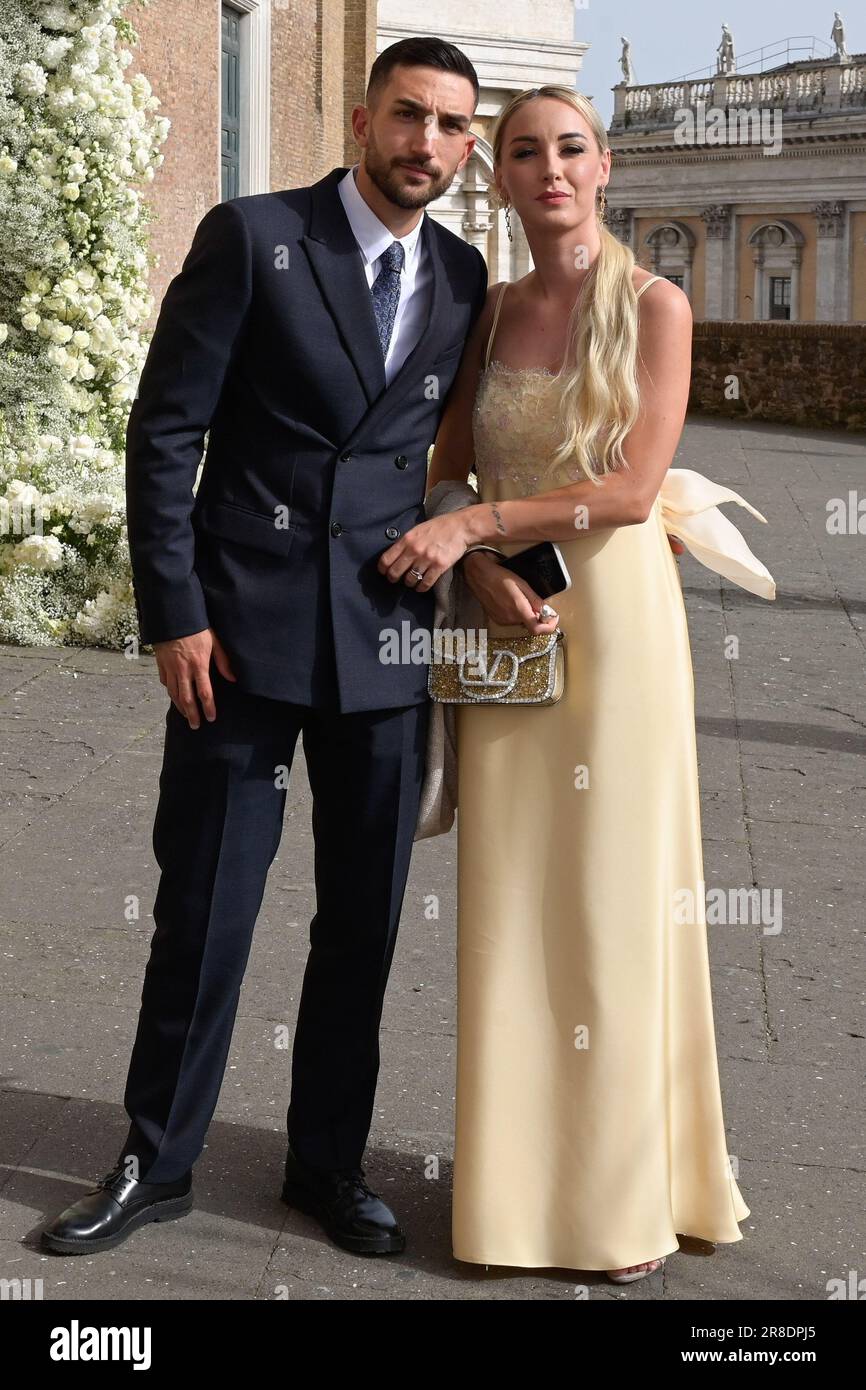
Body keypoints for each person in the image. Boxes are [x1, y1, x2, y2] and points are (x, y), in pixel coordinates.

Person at [40, 36, 488, 1258]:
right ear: (360, 119)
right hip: (238, 634)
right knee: (207, 909)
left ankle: (325, 1165)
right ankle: (155, 1159)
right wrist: (172, 609)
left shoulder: (462, 274)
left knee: (365, 920)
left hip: (385, 650)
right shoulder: (253, 237)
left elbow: (448, 455)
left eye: (452, 127)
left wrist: (486, 541)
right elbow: (164, 430)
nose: (427, 146)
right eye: (408, 117)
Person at [377, 85, 775, 1282]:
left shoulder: (655, 303)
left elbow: (633, 480)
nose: (547, 170)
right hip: (506, 623)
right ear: (495, 177)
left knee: (608, 905)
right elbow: (434, 467)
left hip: (615, 631)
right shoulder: (486, 313)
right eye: (520, 153)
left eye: (568, 149)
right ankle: (509, 1206)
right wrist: (478, 554)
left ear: (602, 167)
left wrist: (482, 526)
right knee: (506, 908)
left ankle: (615, 1207)